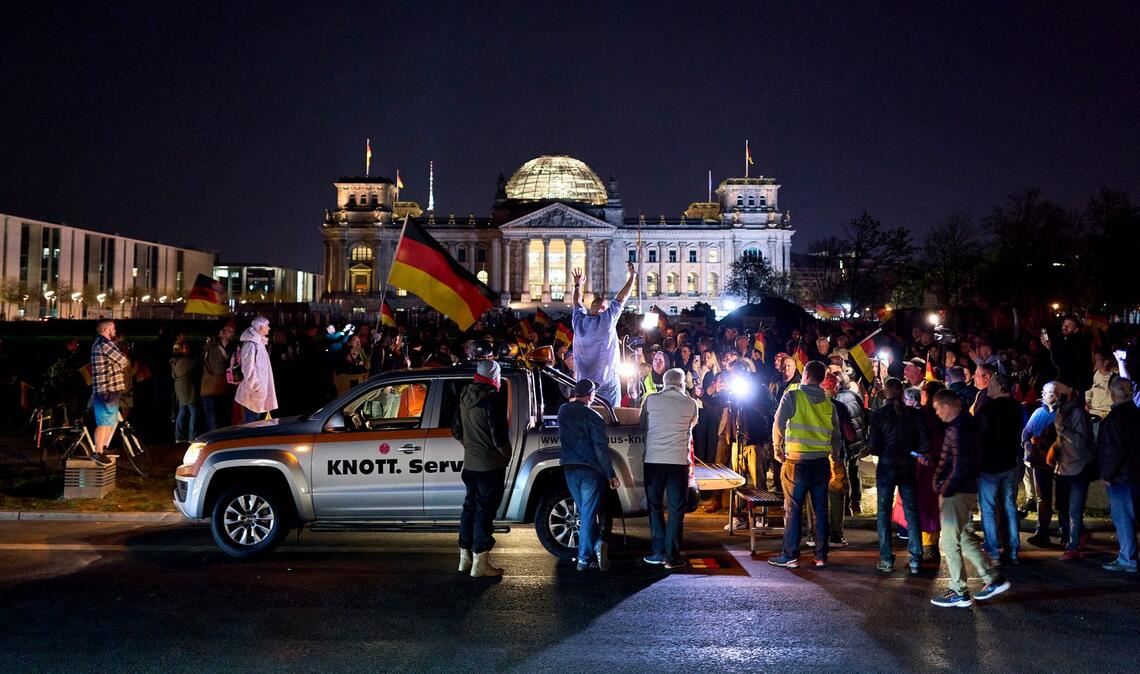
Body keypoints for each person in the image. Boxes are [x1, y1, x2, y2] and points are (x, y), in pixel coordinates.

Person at [930, 389, 1011, 608]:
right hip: (964, 490)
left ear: (947, 407)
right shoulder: (966, 425)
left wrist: (944, 487)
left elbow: (959, 464)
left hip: (956, 493)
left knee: (949, 540)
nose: (937, 414)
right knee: (964, 537)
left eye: (937, 409)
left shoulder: (959, 429)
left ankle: (959, 591)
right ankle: (992, 578)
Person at [769, 361, 841, 569]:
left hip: (797, 462)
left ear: (806, 374)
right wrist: (834, 459)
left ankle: (790, 554)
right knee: (821, 510)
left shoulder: (793, 396)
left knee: (793, 509)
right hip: (821, 464)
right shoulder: (829, 404)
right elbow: (836, 437)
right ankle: (821, 556)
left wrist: (777, 449)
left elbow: (778, 423)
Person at [452, 359, 512, 577]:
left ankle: (465, 559)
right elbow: (498, 437)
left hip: (470, 464)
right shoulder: (493, 399)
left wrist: (470, 447)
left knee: (470, 508)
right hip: (490, 466)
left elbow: (456, 429)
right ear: (494, 375)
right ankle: (481, 563)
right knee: (484, 512)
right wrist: (507, 456)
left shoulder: (465, 394)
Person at [558, 379, 620, 571]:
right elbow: (601, 449)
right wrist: (610, 474)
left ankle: (593, 548)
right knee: (588, 514)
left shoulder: (563, 411)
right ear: (591, 395)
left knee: (585, 513)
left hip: (569, 468)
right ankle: (585, 558)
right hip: (589, 470)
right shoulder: (594, 417)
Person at [640, 367, 698, 569]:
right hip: (678, 463)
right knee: (676, 511)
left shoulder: (651, 400)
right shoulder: (690, 404)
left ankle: (657, 552)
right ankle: (672, 557)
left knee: (655, 507)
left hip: (653, 461)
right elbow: (691, 427)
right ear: (682, 384)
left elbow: (642, 426)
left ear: (663, 383)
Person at [869, 377, 928, 574]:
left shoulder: (878, 415)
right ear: (902, 393)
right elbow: (923, 443)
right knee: (911, 511)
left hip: (886, 467)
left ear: (886, 393)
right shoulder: (913, 415)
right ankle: (915, 558)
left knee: (883, 513)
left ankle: (886, 559)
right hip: (907, 466)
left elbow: (874, 447)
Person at [570, 263, 636, 407]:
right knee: (612, 419)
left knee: (586, 420)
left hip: (584, 385)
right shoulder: (607, 320)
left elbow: (577, 302)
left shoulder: (579, 321)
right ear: (602, 309)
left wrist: (577, 285)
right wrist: (632, 277)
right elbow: (621, 298)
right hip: (606, 383)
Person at [976, 373, 1025, 564]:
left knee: (988, 508)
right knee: (1009, 505)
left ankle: (993, 547)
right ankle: (1013, 548)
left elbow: (979, 434)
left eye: (991, 384)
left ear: (999, 387)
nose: (988, 386)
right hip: (1010, 462)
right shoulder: (1016, 408)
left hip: (989, 464)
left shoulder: (987, 408)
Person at [1097, 377, 1140, 573]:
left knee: (1124, 519)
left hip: (1121, 478)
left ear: (1113, 394)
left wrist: (1107, 474)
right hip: (1136, 474)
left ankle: (1128, 558)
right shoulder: (1137, 414)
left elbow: (1113, 451)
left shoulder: (1113, 420)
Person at [1051, 379, 1095, 560]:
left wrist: (1062, 428)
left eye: (1057, 388)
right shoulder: (1061, 410)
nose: (1054, 392)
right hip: (1062, 467)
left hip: (1078, 466)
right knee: (1062, 507)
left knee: (1074, 510)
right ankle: (1076, 537)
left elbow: (1080, 442)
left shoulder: (1077, 413)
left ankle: (1073, 546)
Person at [1023, 382, 1060, 546]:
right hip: (1040, 460)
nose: (1046, 396)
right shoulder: (1039, 412)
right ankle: (1042, 531)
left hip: (1059, 460)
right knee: (1042, 497)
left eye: (1051, 393)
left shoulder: (1061, 413)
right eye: (1045, 392)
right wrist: (1028, 445)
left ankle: (1065, 531)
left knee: (1060, 498)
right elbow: (1026, 432)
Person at [89, 320, 129, 466]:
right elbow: (123, 360)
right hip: (107, 389)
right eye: (112, 329)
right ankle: (98, 451)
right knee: (104, 422)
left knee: (108, 422)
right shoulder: (104, 344)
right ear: (106, 329)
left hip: (108, 389)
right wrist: (121, 359)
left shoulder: (101, 343)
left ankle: (103, 448)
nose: (114, 331)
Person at [234, 316, 278, 423]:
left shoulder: (258, 343)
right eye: (267, 326)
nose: (269, 328)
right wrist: (257, 387)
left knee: (255, 422)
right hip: (253, 394)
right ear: (260, 327)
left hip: (257, 394)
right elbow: (248, 369)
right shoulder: (251, 344)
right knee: (252, 424)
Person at [200, 322, 235, 432]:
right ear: (221, 333)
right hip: (212, 391)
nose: (232, 333)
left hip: (218, 390)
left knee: (219, 422)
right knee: (214, 424)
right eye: (229, 331)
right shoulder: (214, 348)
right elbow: (217, 369)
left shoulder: (222, 348)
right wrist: (230, 364)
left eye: (233, 331)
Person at [170, 341, 200, 443]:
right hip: (187, 389)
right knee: (194, 412)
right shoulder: (185, 361)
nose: (188, 349)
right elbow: (196, 362)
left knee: (182, 411)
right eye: (186, 347)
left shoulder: (174, 361)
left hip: (180, 389)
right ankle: (192, 436)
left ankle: (179, 436)